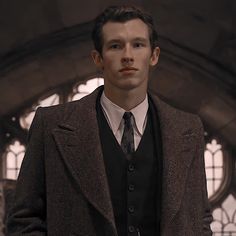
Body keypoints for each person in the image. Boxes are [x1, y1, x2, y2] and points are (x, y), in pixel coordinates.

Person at [6, 5, 213, 236]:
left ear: (153, 56)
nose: (127, 56)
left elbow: (199, 219)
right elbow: (23, 220)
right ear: (98, 58)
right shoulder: (51, 124)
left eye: (138, 45)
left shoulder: (187, 128)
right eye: (115, 46)